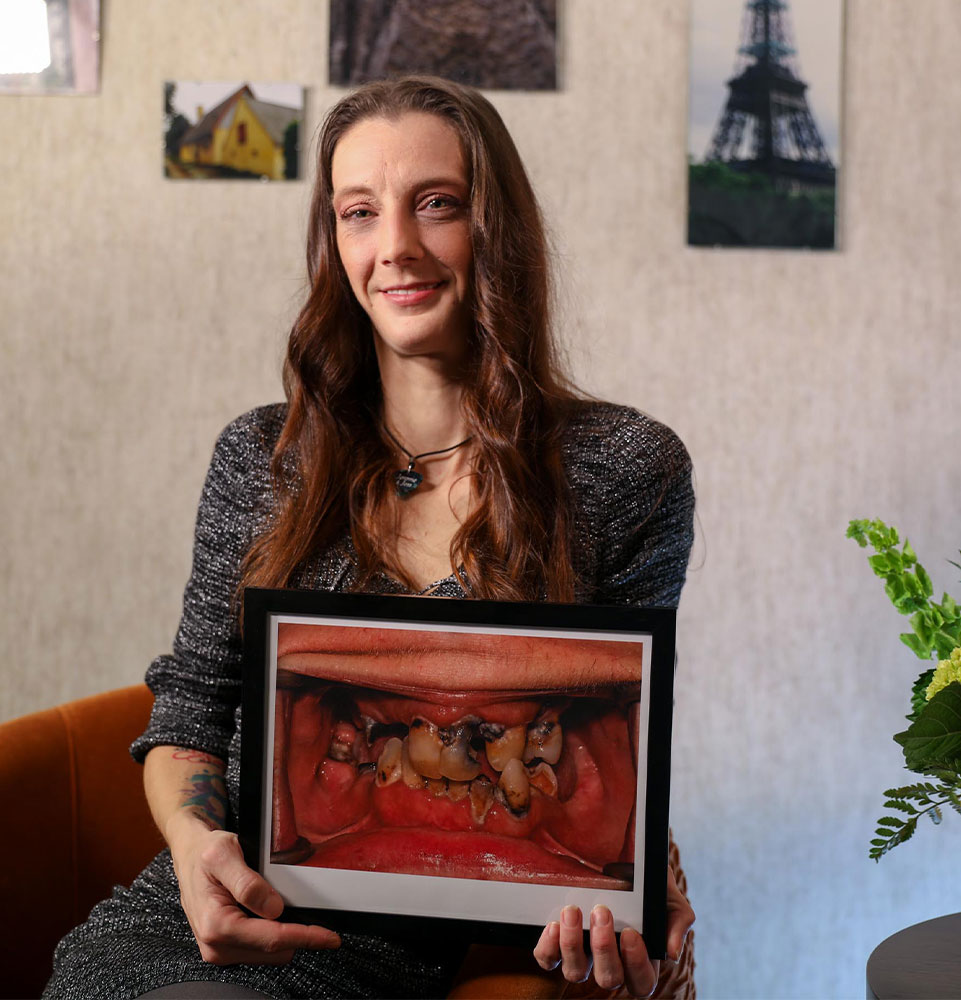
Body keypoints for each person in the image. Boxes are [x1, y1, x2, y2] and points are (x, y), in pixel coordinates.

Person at [44, 75, 696, 1000]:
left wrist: (623, 898)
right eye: (358, 212)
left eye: (437, 205)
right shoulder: (262, 456)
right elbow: (192, 705)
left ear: (495, 227)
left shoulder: (626, 468)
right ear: (332, 240)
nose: (394, 248)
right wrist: (195, 851)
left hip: (400, 951)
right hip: (203, 921)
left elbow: (616, 745)